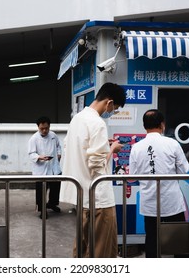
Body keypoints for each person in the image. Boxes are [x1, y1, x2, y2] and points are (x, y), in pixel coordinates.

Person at [59, 82, 126, 258]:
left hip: (81, 195)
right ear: (109, 102)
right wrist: (112, 150)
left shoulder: (77, 119)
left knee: (82, 247)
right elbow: (97, 165)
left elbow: (74, 150)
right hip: (99, 198)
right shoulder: (98, 123)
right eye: (115, 108)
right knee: (101, 250)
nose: (113, 111)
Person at [129, 109, 189, 258]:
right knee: (179, 239)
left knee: (152, 239)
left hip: (149, 201)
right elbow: (184, 170)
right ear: (162, 124)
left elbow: (132, 176)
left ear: (144, 126)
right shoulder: (172, 144)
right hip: (171, 200)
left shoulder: (136, 147)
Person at [28, 116, 62, 219]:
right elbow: (31, 153)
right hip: (41, 168)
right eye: (42, 128)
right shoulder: (34, 138)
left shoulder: (53, 135)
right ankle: (42, 209)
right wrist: (39, 157)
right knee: (41, 190)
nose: (44, 130)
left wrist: (59, 154)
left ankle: (52, 204)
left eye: (46, 128)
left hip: (54, 167)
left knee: (55, 187)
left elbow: (58, 146)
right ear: (38, 127)